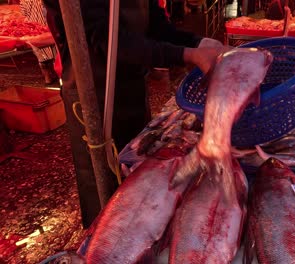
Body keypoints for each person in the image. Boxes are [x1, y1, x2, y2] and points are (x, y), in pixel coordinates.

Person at [42, 0, 229, 227]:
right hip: (93, 95)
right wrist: (187, 55)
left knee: (138, 173)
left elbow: (155, 25)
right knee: (102, 194)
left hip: (132, 85)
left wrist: (197, 42)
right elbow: (104, 39)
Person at [20, 0, 58, 84]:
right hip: (45, 29)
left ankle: (48, 78)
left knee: (42, 55)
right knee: (54, 54)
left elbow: (24, 16)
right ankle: (54, 77)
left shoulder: (24, 1)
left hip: (36, 31)